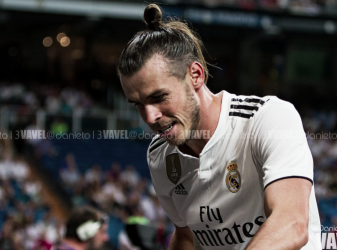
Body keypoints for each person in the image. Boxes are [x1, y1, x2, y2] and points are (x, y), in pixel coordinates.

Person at [117, 4, 321, 250]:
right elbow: (186, 237)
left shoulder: (267, 118)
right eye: (138, 104)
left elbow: (292, 224)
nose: (150, 117)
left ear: (195, 75)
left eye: (159, 97)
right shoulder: (160, 155)